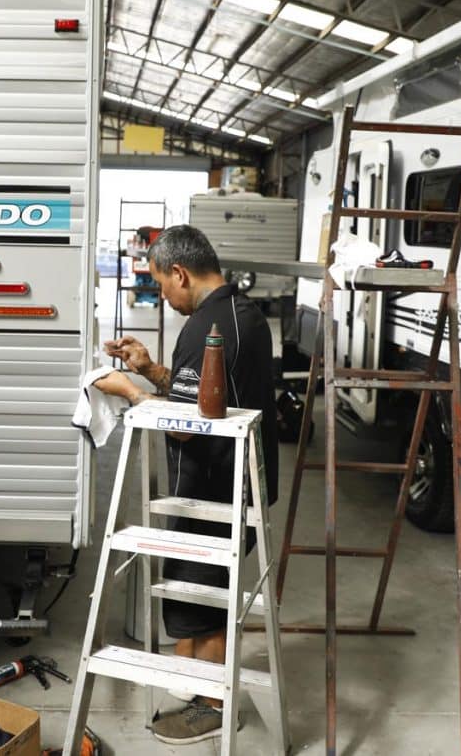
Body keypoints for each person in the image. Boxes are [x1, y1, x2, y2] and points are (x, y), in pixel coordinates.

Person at [94, 224, 278, 745]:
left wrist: (128, 390)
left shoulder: (203, 327)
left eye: (161, 285)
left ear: (179, 272)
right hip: (236, 483)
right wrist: (152, 368)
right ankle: (201, 692)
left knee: (204, 599)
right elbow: (208, 397)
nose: (163, 296)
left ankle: (215, 704)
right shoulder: (243, 315)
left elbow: (185, 422)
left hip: (215, 489)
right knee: (201, 599)